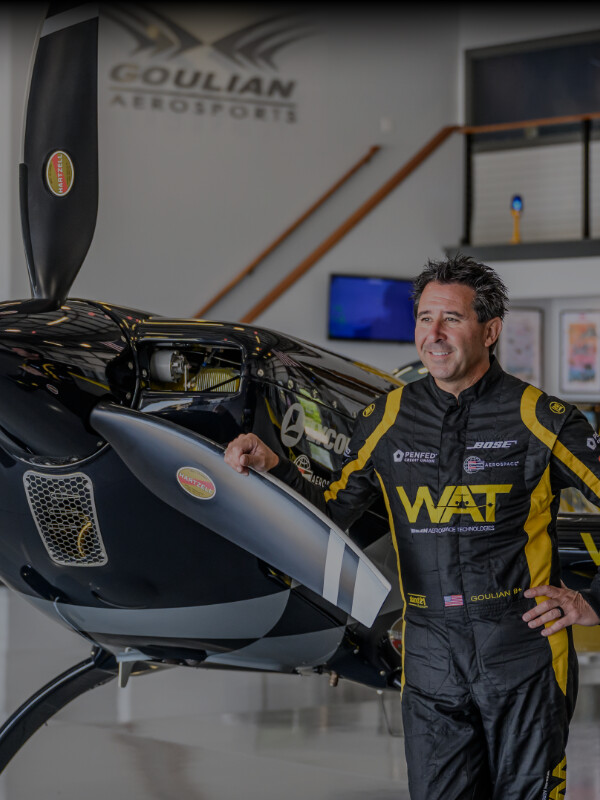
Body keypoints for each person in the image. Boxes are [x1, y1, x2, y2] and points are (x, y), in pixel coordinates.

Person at [224, 254, 600, 800]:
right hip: (428, 652)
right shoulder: (386, 420)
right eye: (425, 318)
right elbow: (331, 511)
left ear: (490, 331)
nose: (434, 334)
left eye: (452, 318)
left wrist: (593, 600)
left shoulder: (542, 419)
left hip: (522, 650)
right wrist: (273, 466)